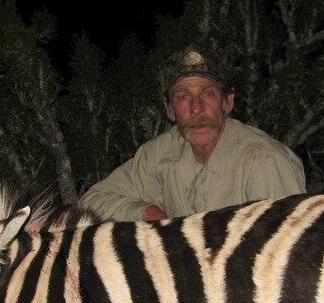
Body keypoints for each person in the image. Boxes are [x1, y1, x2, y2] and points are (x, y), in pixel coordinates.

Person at [79, 47, 306, 221]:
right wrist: (146, 212)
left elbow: (290, 251)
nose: (196, 109)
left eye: (207, 93)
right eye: (183, 97)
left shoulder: (265, 160)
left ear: (228, 101)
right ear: (169, 109)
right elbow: (91, 202)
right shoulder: (158, 154)